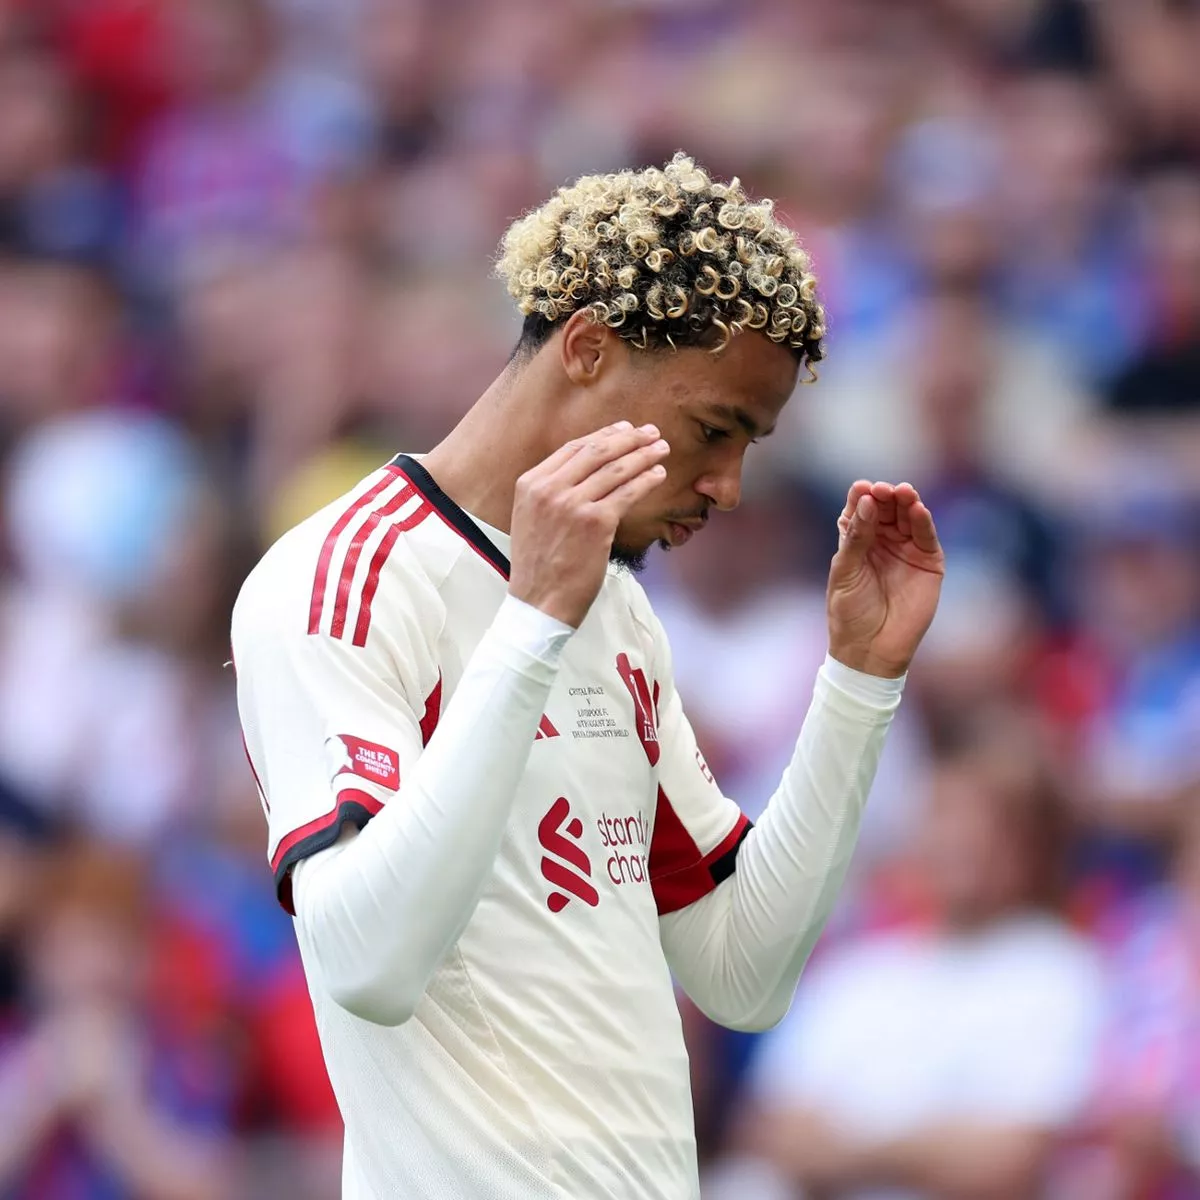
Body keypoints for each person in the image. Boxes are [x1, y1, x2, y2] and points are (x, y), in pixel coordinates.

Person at [232, 153, 945, 1199]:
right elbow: (365, 965)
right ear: (588, 348)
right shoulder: (342, 578)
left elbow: (741, 971)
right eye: (714, 430)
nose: (729, 488)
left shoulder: (612, 607)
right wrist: (530, 627)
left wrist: (856, 684)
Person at [714, 723, 1105, 1200]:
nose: (960, 840)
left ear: (1036, 847)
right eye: (945, 815)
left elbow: (1010, 1162)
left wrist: (849, 1148)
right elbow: (768, 1131)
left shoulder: (1061, 973)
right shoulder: (858, 970)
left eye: (987, 821)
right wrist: (921, 1148)